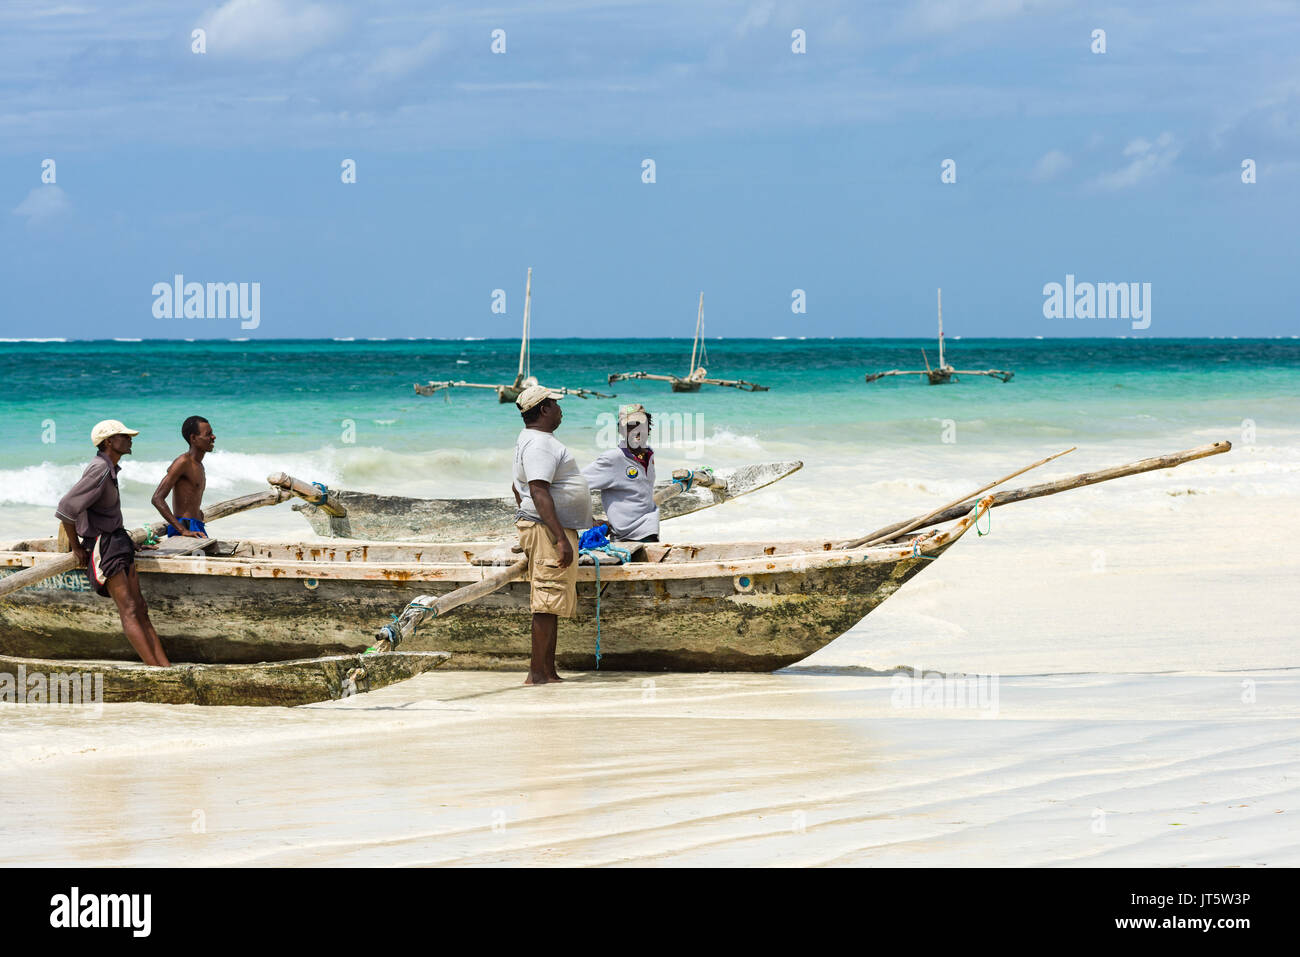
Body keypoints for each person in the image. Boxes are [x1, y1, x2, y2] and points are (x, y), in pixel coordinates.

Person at [55, 419, 170, 666]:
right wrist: (76, 547)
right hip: (104, 545)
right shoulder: (100, 469)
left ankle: (165, 668)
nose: (130, 440)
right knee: (128, 609)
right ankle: (156, 670)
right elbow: (66, 509)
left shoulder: (110, 468)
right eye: (124, 436)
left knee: (140, 607)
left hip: (117, 540)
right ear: (109, 442)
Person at [510, 385, 593, 685]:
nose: (560, 409)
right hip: (547, 529)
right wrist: (558, 536)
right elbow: (537, 490)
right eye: (555, 404)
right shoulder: (540, 444)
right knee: (546, 599)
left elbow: (517, 490)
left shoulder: (530, 440)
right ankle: (536, 674)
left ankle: (548, 671)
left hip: (545, 526)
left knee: (552, 599)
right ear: (543, 410)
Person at [582, 403, 661, 542]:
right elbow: (575, 485)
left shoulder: (649, 454)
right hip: (627, 538)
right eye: (629, 427)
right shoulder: (613, 458)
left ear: (648, 428)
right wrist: (589, 520)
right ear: (621, 431)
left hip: (649, 531)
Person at [151, 415, 214, 537]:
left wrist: (196, 512)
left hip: (196, 525)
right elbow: (157, 498)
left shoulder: (199, 465)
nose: (213, 437)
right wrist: (182, 530)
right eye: (208, 434)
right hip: (186, 527)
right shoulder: (183, 462)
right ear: (194, 438)